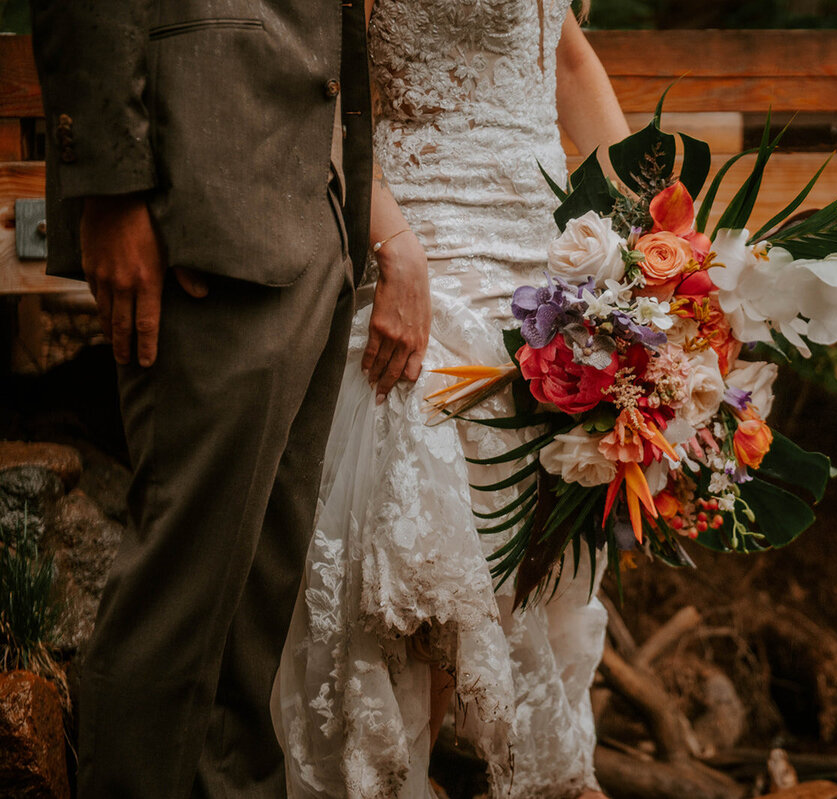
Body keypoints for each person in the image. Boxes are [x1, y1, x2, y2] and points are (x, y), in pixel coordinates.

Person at [27, 1, 416, 795]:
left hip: (315, 197)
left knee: (254, 613)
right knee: (181, 598)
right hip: (196, 197)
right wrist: (110, 187)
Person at [272, 0, 630, 796]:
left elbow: (566, 60)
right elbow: (309, 83)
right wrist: (390, 243)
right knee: (423, 555)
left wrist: (644, 233)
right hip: (423, 244)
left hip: (546, 255)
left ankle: (533, 772)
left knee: (544, 534)